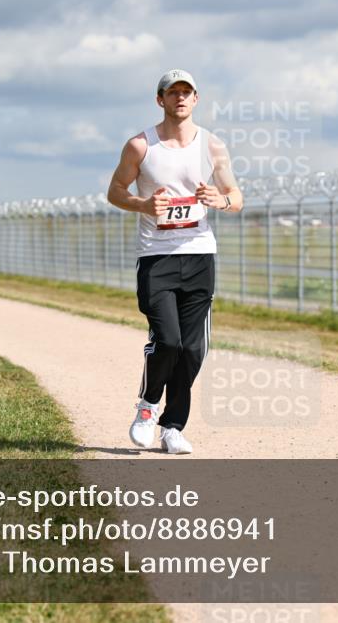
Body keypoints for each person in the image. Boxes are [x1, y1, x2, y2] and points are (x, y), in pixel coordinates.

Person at [107, 69, 243, 455]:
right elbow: (115, 191)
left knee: (193, 349)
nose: (180, 98)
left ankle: (173, 426)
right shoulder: (140, 146)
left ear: (196, 99)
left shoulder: (213, 146)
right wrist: (142, 204)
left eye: (187, 92)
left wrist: (224, 200)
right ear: (160, 99)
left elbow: (236, 195)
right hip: (156, 256)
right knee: (167, 341)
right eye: (173, 92)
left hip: (200, 253)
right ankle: (148, 407)